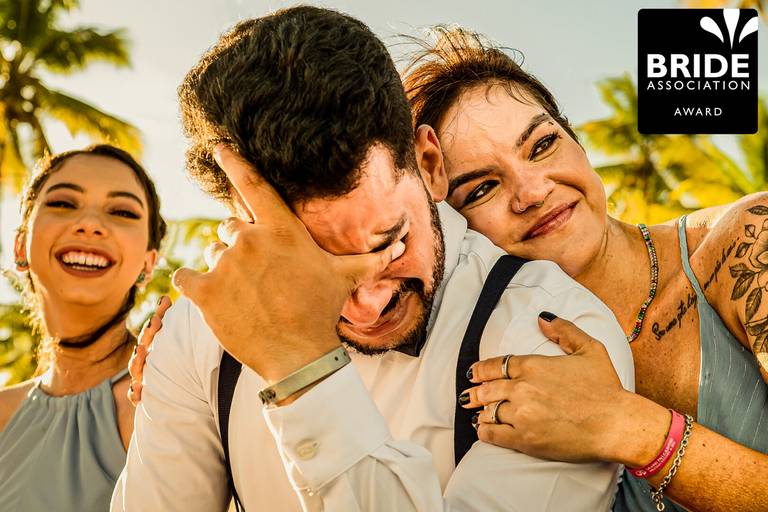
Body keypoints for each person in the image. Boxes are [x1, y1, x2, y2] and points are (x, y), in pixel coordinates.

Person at [111, 7, 634, 511]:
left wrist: (302, 371)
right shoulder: (193, 338)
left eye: (388, 242)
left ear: (429, 166)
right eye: (311, 272)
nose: (369, 304)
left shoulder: (553, 335)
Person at [402, 26, 768, 511]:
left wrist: (626, 428)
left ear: (577, 141)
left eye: (541, 145)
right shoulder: (498, 373)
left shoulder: (747, 245)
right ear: (450, 227)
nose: (532, 192)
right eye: (482, 189)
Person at [0, 145, 167, 511]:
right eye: (63, 203)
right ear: (20, 246)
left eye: (122, 211)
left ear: (147, 263)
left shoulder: (165, 398)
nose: (90, 224)